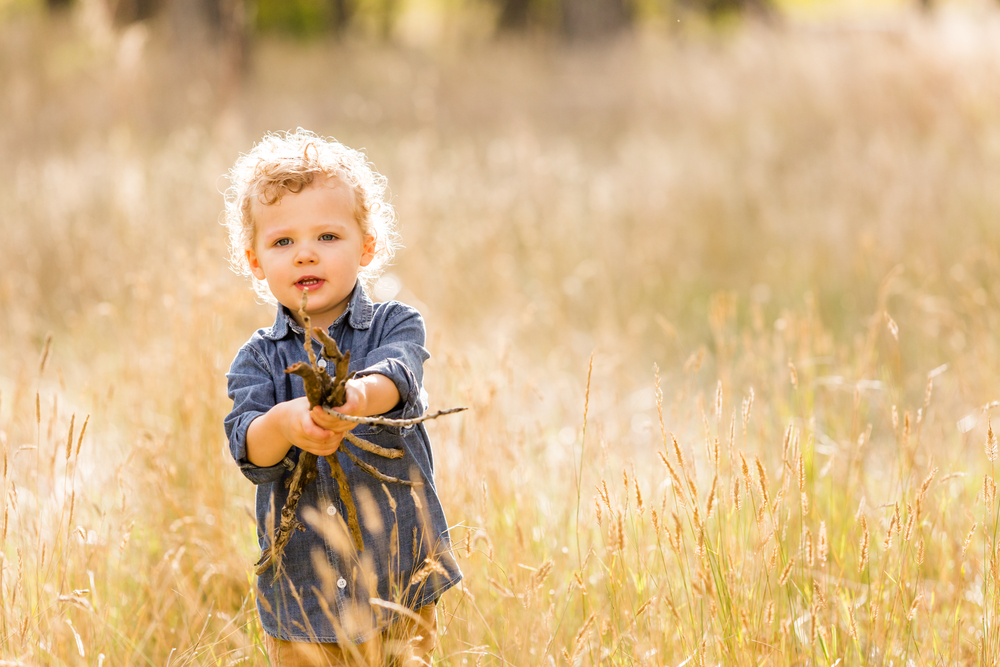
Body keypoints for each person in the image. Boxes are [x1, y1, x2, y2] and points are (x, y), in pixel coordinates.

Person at [223, 130, 462, 666]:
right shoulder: (257, 359)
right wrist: (284, 425)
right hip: (300, 587)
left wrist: (354, 397)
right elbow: (249, 447)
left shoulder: (394, 324)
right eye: (283, 242)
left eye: (327, 237)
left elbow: (397, 376)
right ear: (256, 261)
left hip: (397, 576)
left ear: (367, 247)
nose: (305, 253)